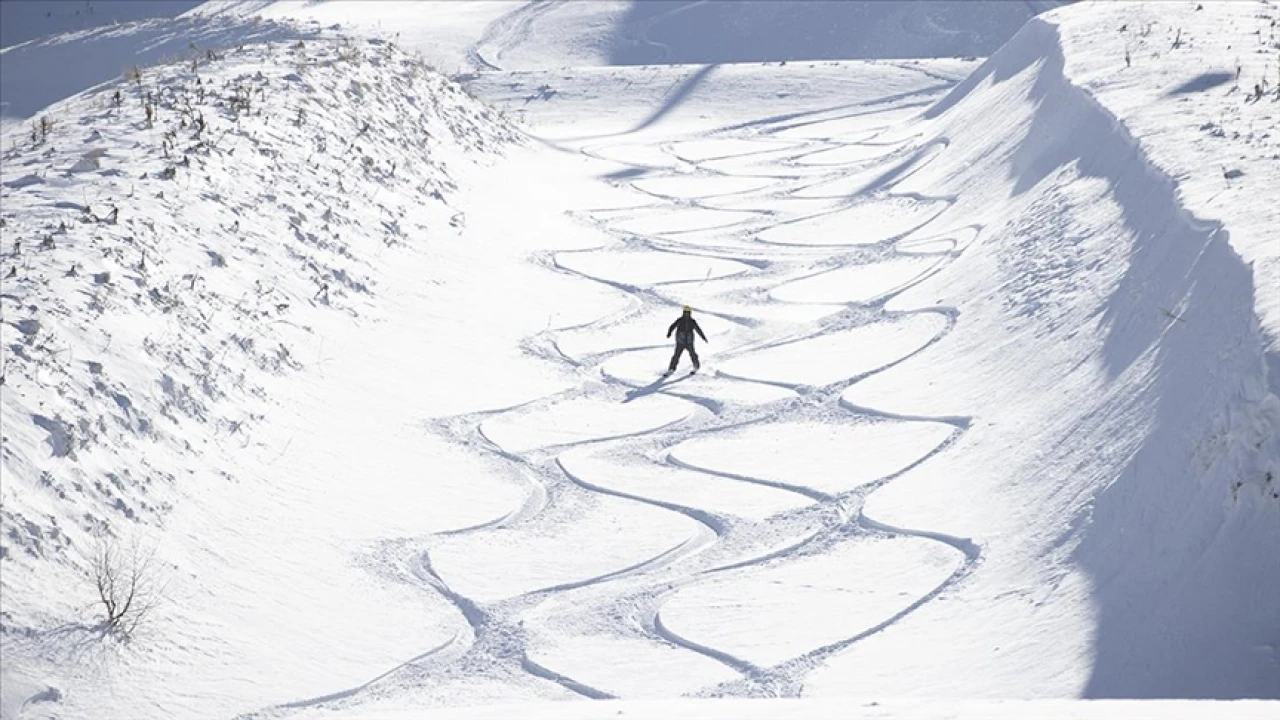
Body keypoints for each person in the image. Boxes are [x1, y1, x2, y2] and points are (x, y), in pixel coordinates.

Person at [665, 305, 707, 376]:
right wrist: (669, 333)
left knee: (693, 354)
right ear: (683, 313)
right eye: (685, 312)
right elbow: (672, 326)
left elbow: (698, 329)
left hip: (689, 342)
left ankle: (696, 367)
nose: (686, 314)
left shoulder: (692, 321)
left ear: (690, 313)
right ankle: (671, 369)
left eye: (688, 312)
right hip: (680, 341)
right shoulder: (680, 320)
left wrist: (703, 337)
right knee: (676, 355)